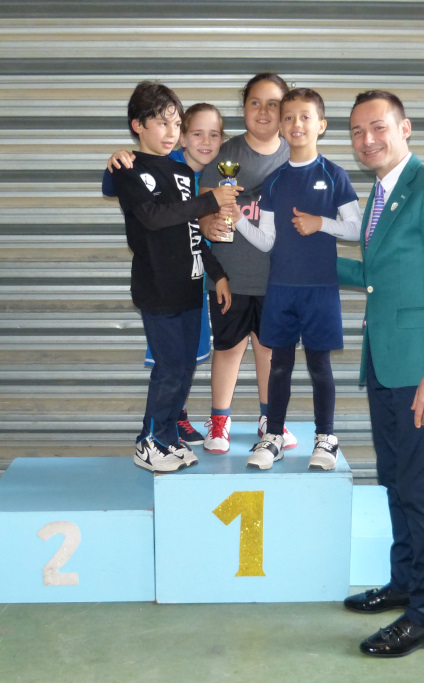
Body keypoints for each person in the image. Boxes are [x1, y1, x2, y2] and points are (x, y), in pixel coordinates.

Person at [337, 90, 424, 657]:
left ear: (404, 128)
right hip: (384, 363)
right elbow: (378, 276)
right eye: (356, 131)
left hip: (420, 370)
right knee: (394, 481)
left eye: (378, 128)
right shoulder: (379, 195)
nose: (367, 140)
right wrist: (302, 261)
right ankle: (403, 584)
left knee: (419, 490)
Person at [109, 81, 240, 473]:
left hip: (189, 286)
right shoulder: (129, 169)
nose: (170, 132)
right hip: (157, 287)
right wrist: (209, 200)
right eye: (161, 123)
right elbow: (153, 217)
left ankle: (167, 438)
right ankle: (148, 441)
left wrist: (217, 273)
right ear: (138, 125)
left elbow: (192, 230)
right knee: (168, 369)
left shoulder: (183, 171)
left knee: (183, 368)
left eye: (175, 124)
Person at [232, 88, 361, 470]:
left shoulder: (334, 175)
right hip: (282, 290)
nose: (296, 124)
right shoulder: (274, 181)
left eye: (305, 116)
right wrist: (237, 221)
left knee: (321, 367)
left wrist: (321, 223)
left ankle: (326, 439)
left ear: (321, 125)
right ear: (281, 126)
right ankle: (273, 436)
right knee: (279, 367)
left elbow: (356, 229)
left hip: (320, 291)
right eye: (288, 117)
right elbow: (267, 240)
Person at [197, 73, 299, 455]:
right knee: (227, 349)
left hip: (278, 279)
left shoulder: (295, 154)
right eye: (255, 102)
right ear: (243, 107)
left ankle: (271, 421)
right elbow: (202, 209)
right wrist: (210, 223)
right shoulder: (225, 154)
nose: (263, 111)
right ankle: (219, 421)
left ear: (285, 109)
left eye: (273, 103)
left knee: (268, 352)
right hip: (230, 276)